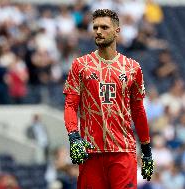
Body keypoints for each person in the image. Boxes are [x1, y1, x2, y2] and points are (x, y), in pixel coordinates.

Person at [63, 9, 154, 189]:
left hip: (123, 152)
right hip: (91, 152)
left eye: (104, 27)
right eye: (95, 27)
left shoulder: (132, 68)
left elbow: (138, 111)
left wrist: (146, 151)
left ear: (117, 31)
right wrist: (74, 137)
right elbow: (70, 105)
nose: (98, 31)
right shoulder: (80, 65)